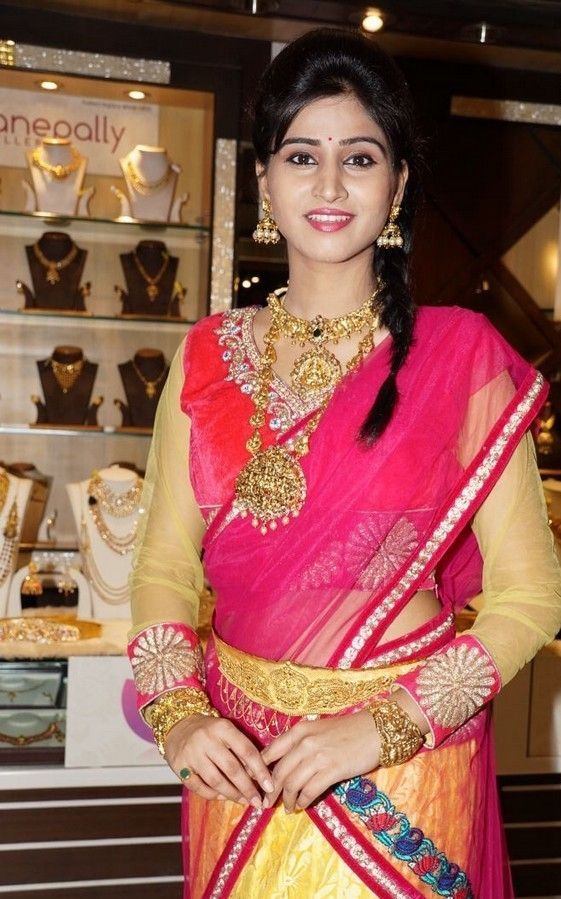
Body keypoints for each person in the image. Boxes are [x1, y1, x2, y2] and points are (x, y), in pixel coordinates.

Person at [127, 28, 561, 899]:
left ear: (395, 185)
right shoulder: (205, 355)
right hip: (239, 766)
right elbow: (163, 565)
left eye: (358, 158)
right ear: (264, 181)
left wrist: (386, 726)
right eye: (301, 156)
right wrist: (178, 718)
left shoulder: (459, 358)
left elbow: (529, 595)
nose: (328, 185)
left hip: (399, 770)